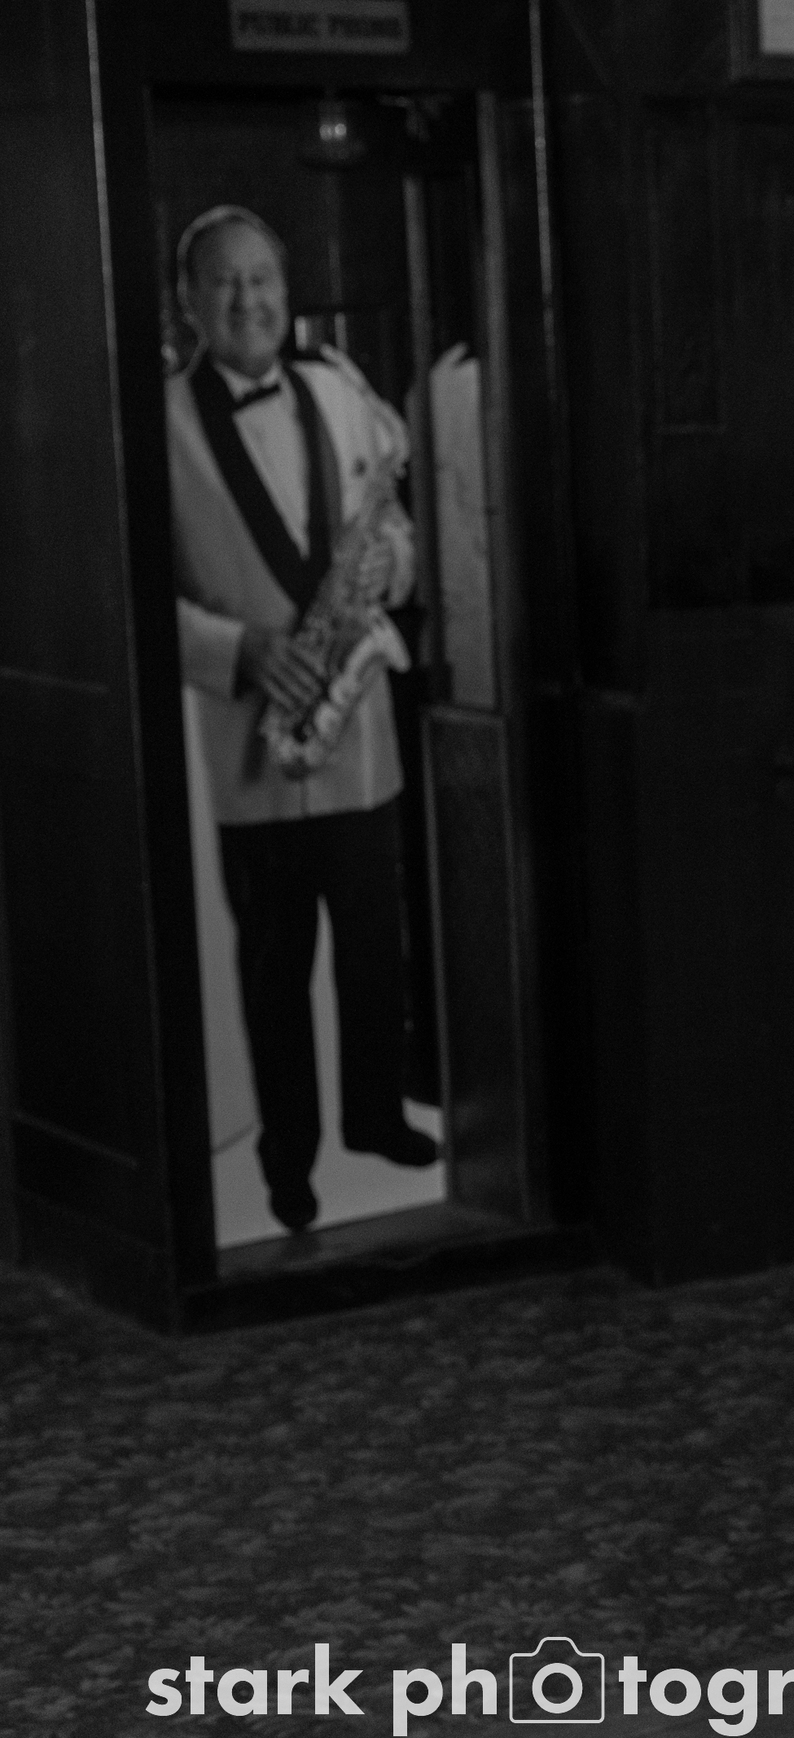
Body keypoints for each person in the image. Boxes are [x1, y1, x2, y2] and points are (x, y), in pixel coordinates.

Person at [169, 204, 434, 1235]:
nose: (249, 300)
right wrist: (239, 650)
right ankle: (289, 1158)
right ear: (189, 301)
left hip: (359, 738)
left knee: (376, 945)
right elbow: (135, 595)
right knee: (274, 969)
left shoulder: (337, 389)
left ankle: (375, 1115)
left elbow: (396, 527)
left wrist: (390, 567)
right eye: (225, 282)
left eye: (264, 280)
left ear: (287, 292)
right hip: (255, 749)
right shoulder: (158, 422)